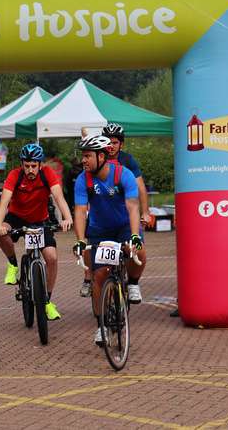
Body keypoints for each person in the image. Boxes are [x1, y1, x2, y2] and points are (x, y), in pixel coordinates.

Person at [71, 134, 142, 346]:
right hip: (99, 230)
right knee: (99, 275)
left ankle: (133, 284)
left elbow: (133, 207)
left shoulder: (123, 175)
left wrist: (135, 235)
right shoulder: (83, 180)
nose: (83, 160)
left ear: (101, 156)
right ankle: (101, 325)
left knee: (139, 253)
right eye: (82, 156)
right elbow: (81, 211)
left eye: (87, 156)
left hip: (124, 227)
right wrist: (81, 240)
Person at [0, 143, 73, 321]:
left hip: (40, 220)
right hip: (16, 217)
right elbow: (4, 201)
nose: (30, 169)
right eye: (27, 165)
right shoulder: (15, 175)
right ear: (22, 164)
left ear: (40, 165)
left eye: (33, 166)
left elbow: (59, 197)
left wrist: (67, 218)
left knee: (51, 258)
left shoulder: (47, 174)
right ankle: (13, 265)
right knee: (0, 233)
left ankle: (46, 301)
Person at [100, 123, 149, 303]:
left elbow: (141, 187)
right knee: (92, 251)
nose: (111, 146)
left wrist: (146, 212)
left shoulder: (128, 161)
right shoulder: (97, 158)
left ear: (122, 144)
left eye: (115, 142)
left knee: (139, 251)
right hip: (103, 215)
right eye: (108, 142)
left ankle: (133, 283)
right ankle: (88, 279)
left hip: (126, 215)